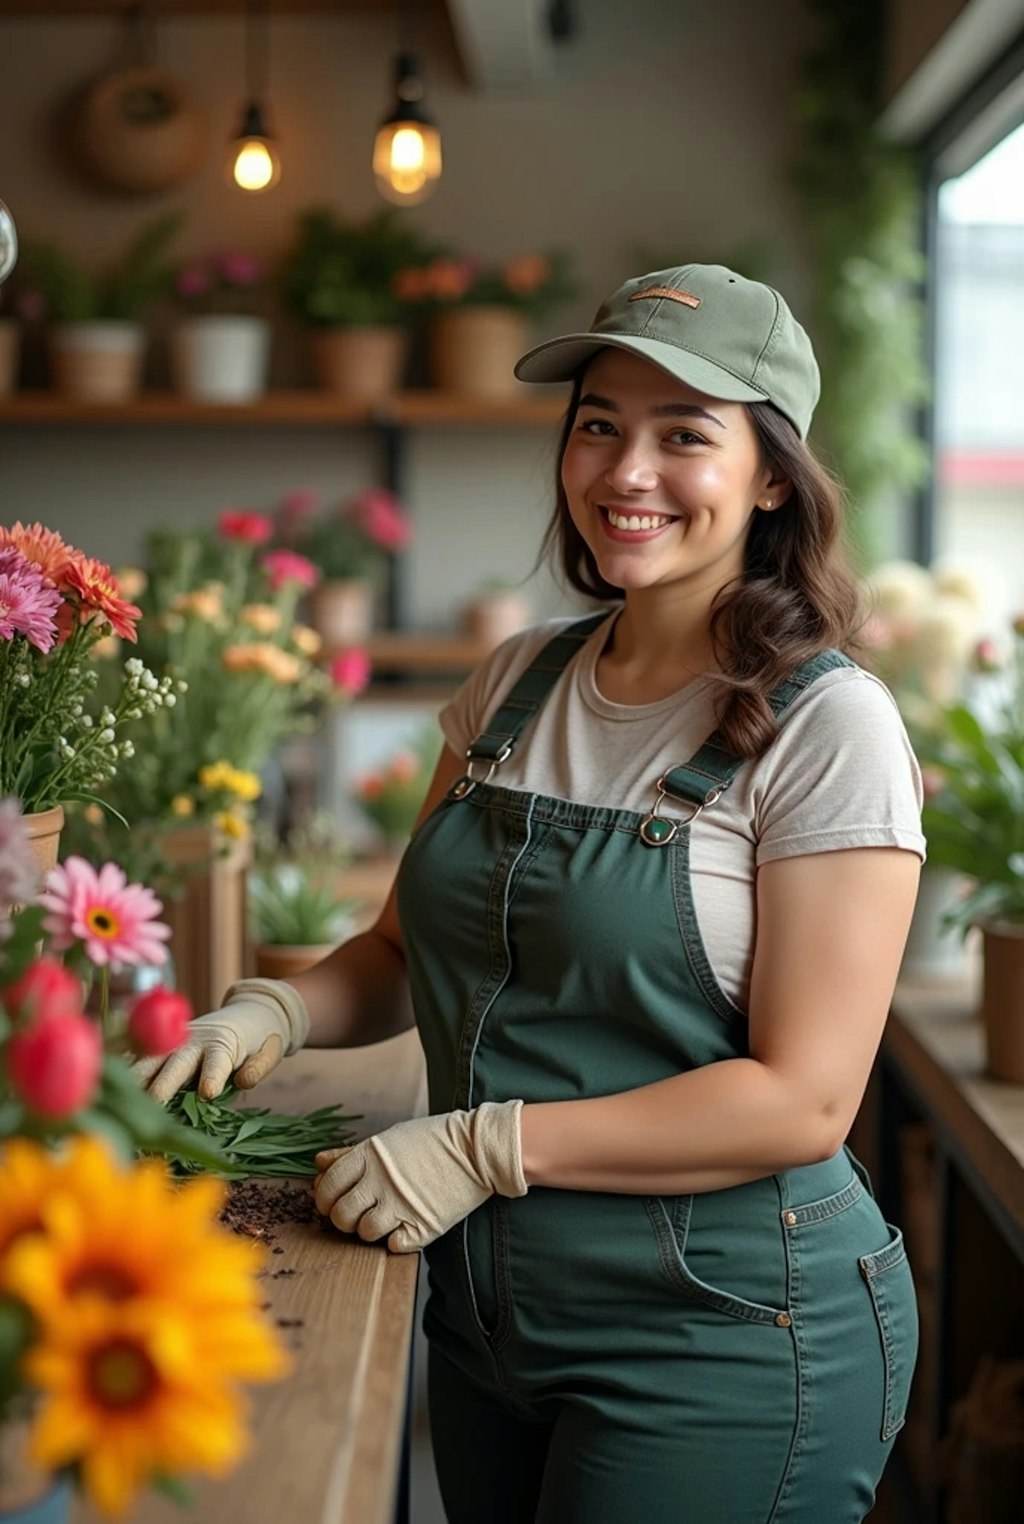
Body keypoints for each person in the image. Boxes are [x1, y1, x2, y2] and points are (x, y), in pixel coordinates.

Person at [138, 263, 925, 1523]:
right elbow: (397, 948)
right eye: (599, 424)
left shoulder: (827, 730)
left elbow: (804, 1100)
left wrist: (482, 1142)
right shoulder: (514, 684)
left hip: (721, 1332)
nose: (626, 472)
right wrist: (267, 1013)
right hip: (485, 1318)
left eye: (685, 435)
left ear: (772, 473)